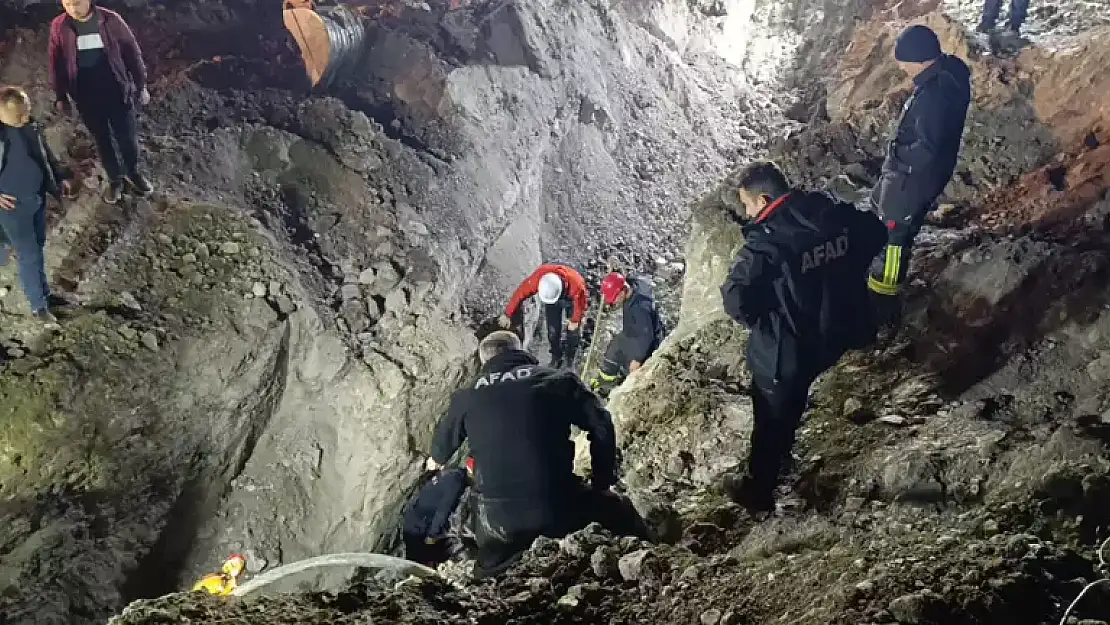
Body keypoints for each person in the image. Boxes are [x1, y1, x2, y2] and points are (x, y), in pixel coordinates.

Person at [719, 161, 887, 513]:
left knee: (771, 412)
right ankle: (784, 455)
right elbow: (875, 233)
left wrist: (768, 314)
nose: (747, 214)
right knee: (794, 395)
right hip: (838, 331)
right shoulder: (826, 210)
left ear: (763, 199)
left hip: (789, 348)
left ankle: (760, 489)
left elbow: (737, 300)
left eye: (748, 205)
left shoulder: (766, 243)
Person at [427, 330, 647, 578]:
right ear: (520, 351)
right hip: (559, 505)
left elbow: (437, 456)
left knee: (485, 571)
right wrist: (602, 482)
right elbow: (601, 423)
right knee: (622, 513)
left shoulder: (465, 397)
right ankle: (658, 564)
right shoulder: (557, 379)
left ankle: (485, 580)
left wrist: (435, 464)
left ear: (485, 361)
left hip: (498, 523)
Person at [866, 24, 971, 331]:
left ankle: (885, 305)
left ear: (922, 59)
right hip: (911, 175)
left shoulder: (934, 97)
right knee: (879, 217)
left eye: (904, 60)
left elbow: (928, 148)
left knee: (895, 239)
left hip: (913, 179)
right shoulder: (951, 73)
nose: (901, 67)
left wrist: (896, 158)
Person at [49, 0, 153, 205]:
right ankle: (115, 179)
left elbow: (133, 53)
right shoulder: (60, 26)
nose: (72, 9)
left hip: (117, 93)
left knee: (127, 138)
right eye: (67, 4)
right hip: (86, 97)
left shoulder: (110, 20)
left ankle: (133, 172)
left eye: (76, 3)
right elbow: (55, 63)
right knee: (102, 140)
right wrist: (61, 96)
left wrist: (141, 86)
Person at [0, 86, 76, 326]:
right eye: (18, 115)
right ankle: (38, 306)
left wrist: (59, 176)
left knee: (38, 247)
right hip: (12, 208)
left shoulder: (30, 126)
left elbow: (45, 156)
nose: (25, 117)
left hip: (36, 198)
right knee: (29, 254)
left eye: (27, 111)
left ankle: (44, 294)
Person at [498, 263, 590, 368]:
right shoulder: (538, 279)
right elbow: (520, 293)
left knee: (573, 331)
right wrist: (507, 314)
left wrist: (575, 320)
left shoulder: (576, 284)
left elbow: (581, 303)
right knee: (552, 331)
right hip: (553, 301)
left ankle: (570, 357)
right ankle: (556, 356)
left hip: (571, 300)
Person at [590, 272, 665, 395]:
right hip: (634, 330)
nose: (613, 302)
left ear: (623, 291)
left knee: (629, 364)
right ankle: (606, 380)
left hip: (648, 342)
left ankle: (617, 385)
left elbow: (646, 336)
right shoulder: (633, 286)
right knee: (615, 347)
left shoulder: (640, 308)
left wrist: (637, 359)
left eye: (615, 298)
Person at [402, 457, 475, 567]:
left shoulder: (453, 473)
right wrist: (433, 534)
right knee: (421, 567)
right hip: (418, 527)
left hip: (415, 519)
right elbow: (443, 510)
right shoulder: (456, 482)